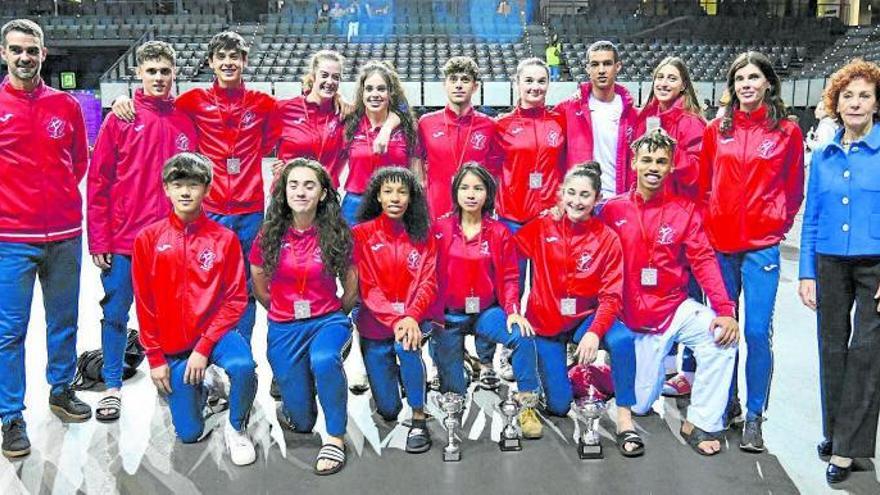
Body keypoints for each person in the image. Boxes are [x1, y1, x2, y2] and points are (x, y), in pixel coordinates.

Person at [113, 31, 278, 345]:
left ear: (245, 61)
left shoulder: (264, 104)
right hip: (211, 211)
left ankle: (238, 355)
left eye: (235, 57)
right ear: (211, 63)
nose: (228, 63)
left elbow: (272, 141)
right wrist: (124, 98)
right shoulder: (192, 101)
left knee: (246, 287)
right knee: (206, 285)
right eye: (222, 57)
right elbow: (156, 104)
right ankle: (207, 353)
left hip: (251, 211)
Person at [600, 129, 739, 456]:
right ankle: (621, 379)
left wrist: (724, 309)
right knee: (639, 406)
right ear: (633, 162)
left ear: (671, 166)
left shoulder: (685, 210)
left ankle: (701, 421)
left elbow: (703, 259)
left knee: (721, 338)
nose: (653, 166)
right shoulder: (611, 209)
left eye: (661, 161)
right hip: (630, 318)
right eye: (646, 159)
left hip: (672, 309)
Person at [87, 40, 198, 422]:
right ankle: (113, 386)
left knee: (172, 315)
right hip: (123, 241)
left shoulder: (185, 121)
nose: (159, 78)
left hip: (171, 241)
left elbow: (194, 186)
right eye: (151, 71)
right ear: (138, 73)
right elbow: (98, 182)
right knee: (116, 313)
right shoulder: (121, 117)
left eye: (165, 71)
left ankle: (171, 380)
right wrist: (98, 238)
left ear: (174, 74)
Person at [699, 51, 804, 452]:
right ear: (733, 86)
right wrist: (712, 224)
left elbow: (793, 189)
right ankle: (728, 404)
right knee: (724, 330)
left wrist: (777, 223)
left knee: (757, 332)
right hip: (721, 246)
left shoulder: (787, 132)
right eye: (740, 78)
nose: (746, 83)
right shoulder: (715, 130)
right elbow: (707, 183)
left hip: (762, 247)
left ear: (768, 84)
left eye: (754, 77)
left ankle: (756, 416)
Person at [0, 19, 91, 458]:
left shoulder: (66, 105)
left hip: (65, 235)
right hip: (11, 239)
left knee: (64, 323)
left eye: (31, 50)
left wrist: (53, 201)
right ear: (4, 54)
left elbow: (78, 164)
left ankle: (62, 389)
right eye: (16, 50)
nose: (24, 57)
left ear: (43, 53)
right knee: (10, 332)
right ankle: (11, 416)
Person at [132, 153, 258, 466]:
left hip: (216, 335)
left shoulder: (224, 239)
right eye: (178, 184)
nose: (186, 192)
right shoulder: (148, 239)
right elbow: (145, 304)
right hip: (174, 343)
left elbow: (235, 300)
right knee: (189, 433)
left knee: (243, 366)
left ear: (207, 190)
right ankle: (198, 387)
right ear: (166, 189)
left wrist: (203, 348)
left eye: (193, 185)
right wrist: (155, 358)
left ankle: (236, 426)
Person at [514, 163, 643, 457]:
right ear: (560, 194)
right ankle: (575, 374)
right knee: (559, 406)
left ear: (597, 199)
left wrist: (595, 333)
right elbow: (507, 258)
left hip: (584, 319)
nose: (576, 200)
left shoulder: (608, 238)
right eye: (570, 193)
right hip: (546, 325)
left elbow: (611, 297)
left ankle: (625, 419)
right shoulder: (542, 226)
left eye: (585, 195)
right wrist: (510, 306)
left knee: (622, 340)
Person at [798, 59, 880, 484]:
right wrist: (807, 272)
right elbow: (811, 214)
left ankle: (848, 448)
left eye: (864, 95)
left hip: (876, 266)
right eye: (848, 95)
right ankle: (836, 432)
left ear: (876, 103)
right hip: (829, 259)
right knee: (831, 349)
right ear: (837, 101)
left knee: (867, 353)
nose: (855, 102)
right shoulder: (825, 153)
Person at [251, 158, 356, 475]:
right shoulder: (268, 235)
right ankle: (298, 388)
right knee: (301, 422)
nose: (300, 191)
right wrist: (284, 311)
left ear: (323, 193)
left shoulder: (336, 233)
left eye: (309, 185)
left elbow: (350, 289)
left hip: (328, 321)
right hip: (284, 328)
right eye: (293, 185)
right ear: (283, 192)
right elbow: (259, 284)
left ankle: (335, 438)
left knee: (324, 359)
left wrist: (334, 314)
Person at [429, 163, 543, 438]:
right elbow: (427, 274)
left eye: (478, 188)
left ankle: (528, 404)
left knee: (523, 335)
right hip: (448, 315)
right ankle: (459, 374)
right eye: (465, 187)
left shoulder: (499, 232)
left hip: (486, 312)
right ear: (455, 191)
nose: (471, 194)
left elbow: (508, 277)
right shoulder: (439, 228)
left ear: (488, 194)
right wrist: (430, 315)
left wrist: (513, 310)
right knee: (454, 392)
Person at [634, 56, 708, 396]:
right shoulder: (645, 118)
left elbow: (697, 172)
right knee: (656, 286)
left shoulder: (692, 122)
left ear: (683, 85)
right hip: (651, 218)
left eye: (672, 78)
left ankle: (689, 371)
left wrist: (668, 152)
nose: (664, 82)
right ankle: (665, 363)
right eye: (659, 76)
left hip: (684, 217)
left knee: (690, 292)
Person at [351, 167, 437, 454]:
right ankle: (394, 384)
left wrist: (411, 316)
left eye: (402, 192)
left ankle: (418, 416)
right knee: (387, 410)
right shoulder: (361, 235)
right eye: (388, 191)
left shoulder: (423, 233)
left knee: (407, 347)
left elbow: (428, 280)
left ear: (412, 198)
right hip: (375, 325)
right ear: (377, 196)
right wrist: (397, 318)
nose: (395, 198)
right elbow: (368, 287)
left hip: (412, 322)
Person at [272, 50, 399, 188]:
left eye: (335, 77)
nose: (330, 81)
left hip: (325, 197)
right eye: (324, 75)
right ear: (313, 76)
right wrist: (277, 166)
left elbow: (402, 109)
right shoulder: (283, 109)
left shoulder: (345, 113)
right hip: (287, 193)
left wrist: (386, 129)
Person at [415, 56, 497, 219]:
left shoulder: (490, 125)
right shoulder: (426, 123)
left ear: (475, 87)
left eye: (465, 80)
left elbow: (496, 173)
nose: (459, 85)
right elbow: (416, 167)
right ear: (444, 85)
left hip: (477, 214)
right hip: (436, 212)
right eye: (453, 79)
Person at [555, 40, 638, 197]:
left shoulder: (632, 114)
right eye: (595, 64)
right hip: (581, 203)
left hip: (620, 199)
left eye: (607, 64)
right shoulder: (568, 110)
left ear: (617, 67)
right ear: (588, 69)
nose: (601, 70)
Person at [341, 61, 418, 226]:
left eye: (381, 89)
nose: (374, 94)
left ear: (391, 92)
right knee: (352, 251)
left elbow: (403, 107)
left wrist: (387, 128)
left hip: (395, 203)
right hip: (356, 203)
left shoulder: (406, 127)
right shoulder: (350, 124)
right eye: (369, 89)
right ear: (362, 93)